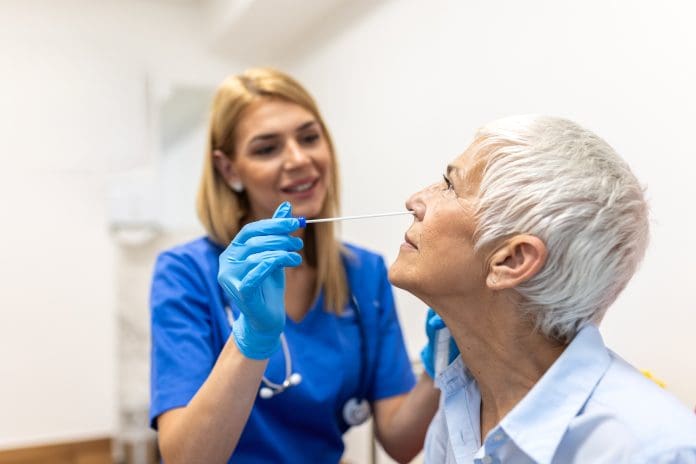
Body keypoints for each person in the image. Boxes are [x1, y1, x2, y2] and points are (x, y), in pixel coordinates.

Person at [149, 67, 442, 464]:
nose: (299, 159)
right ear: (229, 169)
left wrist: (442, 360)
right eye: (267, 148)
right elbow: (186, 458)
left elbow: (401, 441)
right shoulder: (186, 273)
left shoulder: (365, 273)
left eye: (309, 137)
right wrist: (252, 337)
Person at [388, 115, 696, 463]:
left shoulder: (649, 450)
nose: (415, 200)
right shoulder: (462, 404)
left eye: (450, 185)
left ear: (512, 259)